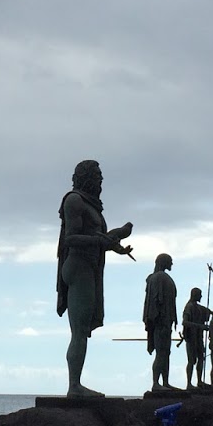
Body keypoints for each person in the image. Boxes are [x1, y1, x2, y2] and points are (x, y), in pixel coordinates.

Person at [57, 160, 134, 396]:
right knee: (79, 331)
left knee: (82, 330)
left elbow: (96, 238)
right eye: (97, 175)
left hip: (89, 267)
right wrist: (103, 240)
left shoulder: (91, 206)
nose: (100, 180)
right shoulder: (74, 200)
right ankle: (74, 386)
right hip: (78, 266)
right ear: (86, 177)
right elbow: (71, 238)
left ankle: (76, 384)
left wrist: (116, 242)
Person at [142, 252, 178, 392]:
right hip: (161, 321)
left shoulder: (162, 278)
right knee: (161, 352)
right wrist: (159, 319)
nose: (172, 264)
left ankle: (165, 382)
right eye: (170, 261)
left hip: (166, 321)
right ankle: (156, 383)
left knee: (166, 352)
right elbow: (156, 301)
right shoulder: (158, 278)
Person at [180, 287, 210, 388]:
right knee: (192, 361)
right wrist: (200, 326)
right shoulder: (189, 307)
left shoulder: (198, 307)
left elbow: (206, 312)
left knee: (201, 358)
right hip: (191, 337)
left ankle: (199, 381)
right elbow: (185, 322)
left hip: (199, 337)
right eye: (199, 294)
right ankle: (189, 383)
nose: (201, 296)